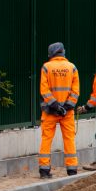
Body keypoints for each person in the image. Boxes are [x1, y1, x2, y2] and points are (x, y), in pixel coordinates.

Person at [38, 42, 80, 178]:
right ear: (62, 52)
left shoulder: (46, 67)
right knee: (69, 139)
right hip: (67, 112)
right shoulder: (72, 67)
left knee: (46, 139)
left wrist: (55, 105)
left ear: (51, 53)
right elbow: (75, 92)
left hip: (50, 110)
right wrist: (66, 107)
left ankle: (44, 170)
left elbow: (44, 90)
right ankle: (72, 169)